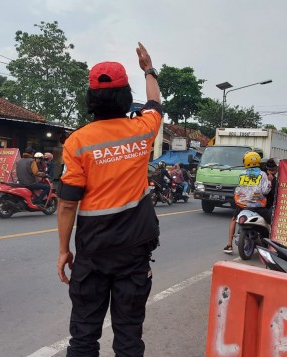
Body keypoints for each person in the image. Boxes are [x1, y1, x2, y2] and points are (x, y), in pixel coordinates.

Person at [56, 42, 162, 356]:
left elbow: (66, 203)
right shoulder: (142, 130)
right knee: (129, 338)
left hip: (92, 253)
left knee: (84, 339)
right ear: (126, 96)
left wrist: (64, 250)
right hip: (133, 254)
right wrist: (149, 70)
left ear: (91, 99)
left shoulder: (78, 142)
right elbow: (155, 103)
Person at [224, 151, 271, 254]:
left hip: (242, 205)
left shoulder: (242, 174)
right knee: (272, 222)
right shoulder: (262, 174)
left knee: (233, 220)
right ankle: (273, 244)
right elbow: (265, 191)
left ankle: (229, 245)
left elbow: (238, 189)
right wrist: (270, 183)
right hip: (258, 206)